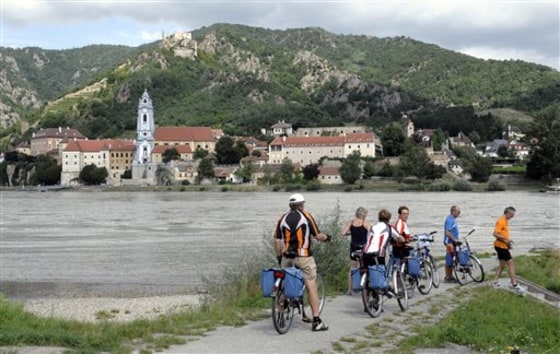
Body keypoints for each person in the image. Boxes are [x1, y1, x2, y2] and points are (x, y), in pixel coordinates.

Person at [274, 193, 330, 332]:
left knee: (285, 283)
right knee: (311, 284)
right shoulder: (306, 216)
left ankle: (281, 314)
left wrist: (279, 257)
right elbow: (318, 236)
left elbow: (276, 240)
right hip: (303, 256)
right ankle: (316, 321)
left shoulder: (282, 217)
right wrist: (327, 238)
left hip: (287, 256)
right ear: (302, 204)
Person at [492, 206, 524, 293]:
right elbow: (495, 234)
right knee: (511, 264)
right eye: (512, 215)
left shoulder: (505, 220)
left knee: (502, 265)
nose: (512, 217)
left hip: (502, 245)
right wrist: (507, 239)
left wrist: (507, 242)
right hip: (501, 247)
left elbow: (501, 234)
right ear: (508, 213)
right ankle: (514, 285)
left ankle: (495, 281)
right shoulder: (501, 221)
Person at [341, 207, 372, 295]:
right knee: (366, 266)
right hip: (363, 247)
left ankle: (349, 290)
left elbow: (342, 233)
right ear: (364, 215)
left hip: (354, 247)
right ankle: (366, 286)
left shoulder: (350, 223)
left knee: (352, 268)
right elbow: (372, 233)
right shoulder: (365, 223)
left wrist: (350, 233)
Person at [443, 205, 461, 283]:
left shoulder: (453, 219)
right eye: (458, 212)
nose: (459, 213)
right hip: (450, 242)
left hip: (453, 242)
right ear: (453, 211)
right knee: (449, 259)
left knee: (453, 259)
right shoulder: (450, 220)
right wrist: (455, 240)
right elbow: (448, 233)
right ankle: (447, 277)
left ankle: (451, 276)